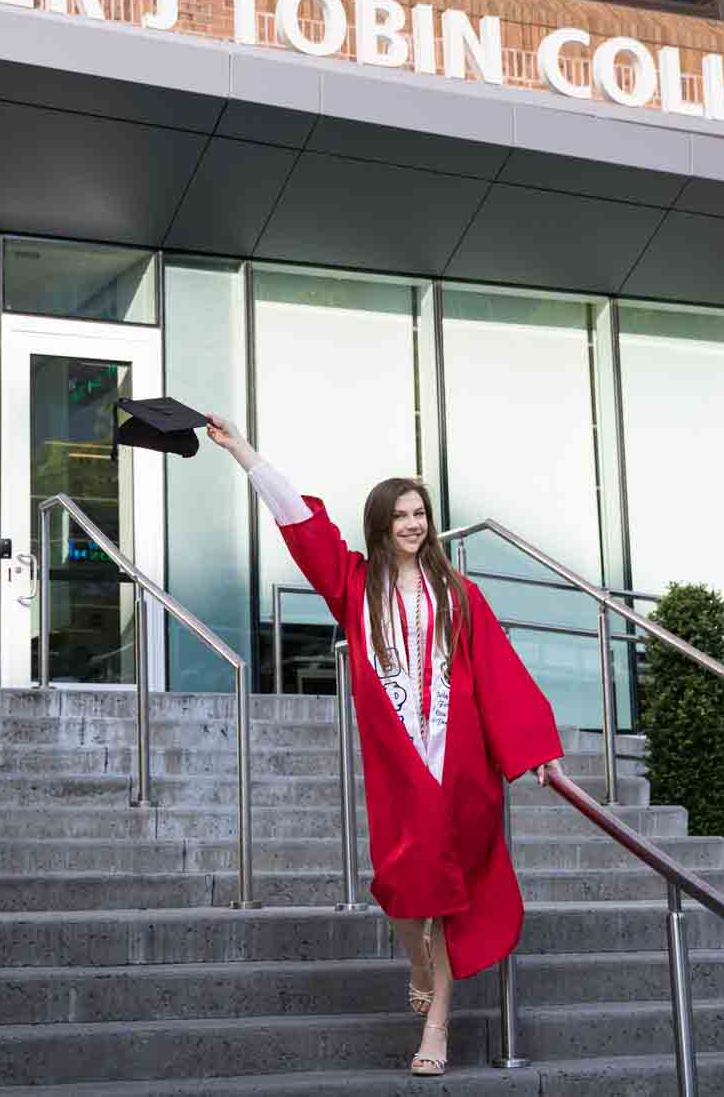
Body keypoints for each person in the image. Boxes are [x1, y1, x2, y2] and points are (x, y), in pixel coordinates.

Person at [204, 414, 566, 1077]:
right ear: (380, 523)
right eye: (400, 513)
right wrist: (246, 454)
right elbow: (301, 526)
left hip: (457, 766)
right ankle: (418, 959)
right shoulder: (354, 586)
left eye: (420, 512)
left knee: (451, 895)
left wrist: (534, 746)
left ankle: (437, 1026)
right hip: (399, 767)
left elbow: (499, 671)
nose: (413, 523)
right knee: (402, 889)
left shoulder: (458, 593)